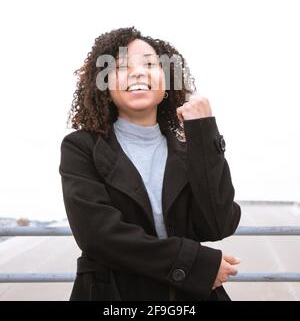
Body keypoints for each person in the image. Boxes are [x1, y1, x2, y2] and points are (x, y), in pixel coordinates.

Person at [59, 26, 241, 301]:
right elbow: (98, 236)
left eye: (149, 64)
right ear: (105, 84)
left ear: (166, 81)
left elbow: (218, 224)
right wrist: (195, 264)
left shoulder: (188, 149)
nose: (138, 72)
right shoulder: (81, 147)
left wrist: (204, 133)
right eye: (121, 66)